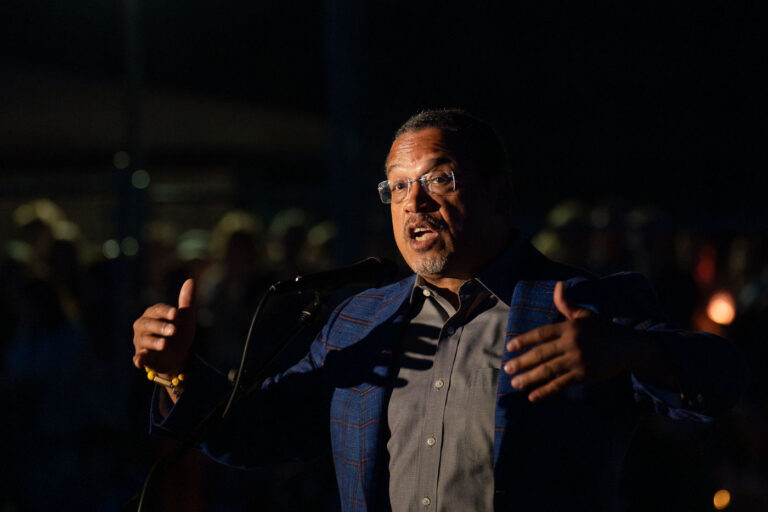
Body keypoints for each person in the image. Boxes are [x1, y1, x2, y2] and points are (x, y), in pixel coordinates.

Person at [132, 108, 746, 511]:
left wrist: (632, 350)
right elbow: (257, 431)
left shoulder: (583, 304)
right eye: (397, 186)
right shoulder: (361, 319)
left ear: (499, 192)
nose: (414, 203)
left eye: (439, 179)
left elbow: (726, 382)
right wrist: (178, 370)